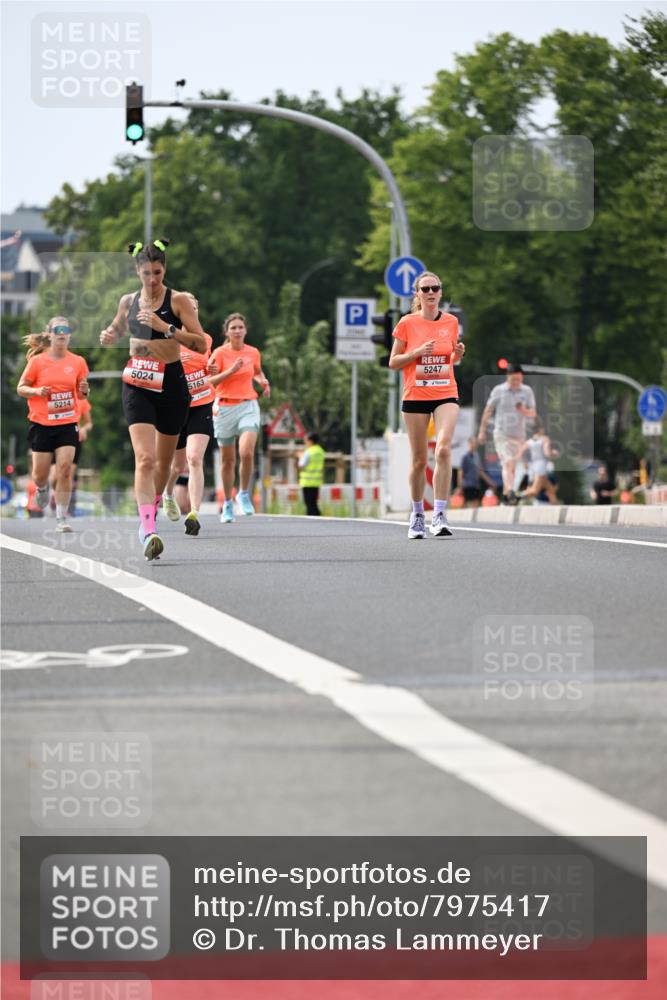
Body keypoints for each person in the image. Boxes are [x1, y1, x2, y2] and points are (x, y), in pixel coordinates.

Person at [99, 239, 207, 560]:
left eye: (157, 272)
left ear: (165, 269)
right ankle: (148, 529)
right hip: (138, 382)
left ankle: (154, 504)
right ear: (137, 271)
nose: (152, 279)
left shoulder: (179, 301)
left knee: (163, 463)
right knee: (144, 459)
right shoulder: (128, 300)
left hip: (172, 384)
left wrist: (167, 328)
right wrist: (109, 335)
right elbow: (118, 328)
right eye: (146, 273)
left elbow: (200, 343)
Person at [388, 270, 465, 539]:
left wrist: (456, 355)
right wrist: (417, 353)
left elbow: (449, 361)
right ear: (418, 295)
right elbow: (393, 362)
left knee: (443, 450)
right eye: (426, 289)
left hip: (445, 392)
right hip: (415, 395)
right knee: (420, 460)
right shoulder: (407, 323)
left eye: (435, 288)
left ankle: (440, 515)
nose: (431, 293)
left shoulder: (451, 322)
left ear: (441, 292)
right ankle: (418, 514)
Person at [16, 317, 89, 533]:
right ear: (50, 334)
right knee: (40, 474)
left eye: (66, 329)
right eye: (57, 329)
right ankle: (41, 487)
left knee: (65, 469)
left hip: (68, 422)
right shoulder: (37, 362)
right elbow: (21, 388)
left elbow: (82, 396)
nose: (62, 333)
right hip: (41, 424)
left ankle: (61, 517)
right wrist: (37, 392)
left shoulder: (78, 362)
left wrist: (84, 390)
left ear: (69, 335)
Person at [208, 312, 270, 523]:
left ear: (245, 330)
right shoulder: (219, 353)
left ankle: (244, 493)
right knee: (228, 460)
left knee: (246, 452)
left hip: (248, 406)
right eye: (233, 328)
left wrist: (263, 381)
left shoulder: (253, 352)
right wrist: (231, 370)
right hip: (224, 408)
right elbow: (210, 381)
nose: (237, 331)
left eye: (240, 327)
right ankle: (227, 502)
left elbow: (257, 371)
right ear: (227, 332)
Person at [162, 293, 214, 537]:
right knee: (177, 465)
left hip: (202, 403)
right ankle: (168, 493)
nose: (190, 311)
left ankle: (194, 513)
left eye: (194, 307)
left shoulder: (206, 339)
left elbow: (208, 366)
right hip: (175, 406)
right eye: (187, 308)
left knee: (194, 458)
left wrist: (211, 369)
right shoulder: (168, 338)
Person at [477, 362, 536, 504]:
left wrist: (524, 411)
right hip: (501, 433)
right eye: (513, 379)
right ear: (507, 377)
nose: (516, 382)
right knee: (507, 463)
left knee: (512, 467)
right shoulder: (499, 390)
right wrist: (482, 431)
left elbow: (533, 413)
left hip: (519, 435)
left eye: (519, 379)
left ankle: (506, 494)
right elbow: (488, 410)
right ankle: (510, 491)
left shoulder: (527, 391)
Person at [516, 422, 560, 504]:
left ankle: (556, 508)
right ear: (540, 429)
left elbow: (520, 454)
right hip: (541, 466)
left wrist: (524, 463)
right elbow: (547, 453)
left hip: (533, 466)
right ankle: (516, 496)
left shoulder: (528, 442)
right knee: (535, 490)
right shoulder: (544, 439)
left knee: (551, 489)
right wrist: (554, 453)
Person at [457, 436, 496, 508]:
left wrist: (490, 482)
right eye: (474, 443)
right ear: (470, 443)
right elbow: (460, 472)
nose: (475, 445)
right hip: (468, 485)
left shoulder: (476, 456)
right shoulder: (465, 457)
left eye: (476, 443)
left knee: (477, 504)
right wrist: (460, 486)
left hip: (476, 485)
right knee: (470, 504)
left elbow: (480, 472)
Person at [298, 432, 325, 515]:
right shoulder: (320, 451)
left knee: (309, 503)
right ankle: (317, 517)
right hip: (316, 481)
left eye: (306, 441)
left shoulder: (308, 452)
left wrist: (300, 457)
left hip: (307, 481)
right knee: (314, 502)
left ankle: (313, 518)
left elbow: (301, 464)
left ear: (311, 441)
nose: (305, 443)